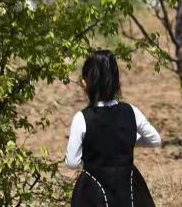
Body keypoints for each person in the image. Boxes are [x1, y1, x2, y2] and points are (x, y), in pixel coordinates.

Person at [65, 50, 161, 207]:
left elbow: (72, 162)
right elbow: (155, 140)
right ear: (118, 83)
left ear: (85, 84)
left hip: (92, 194)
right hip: (129, 191)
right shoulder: (131, 111)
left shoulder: (81, 118)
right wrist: (125, 140)